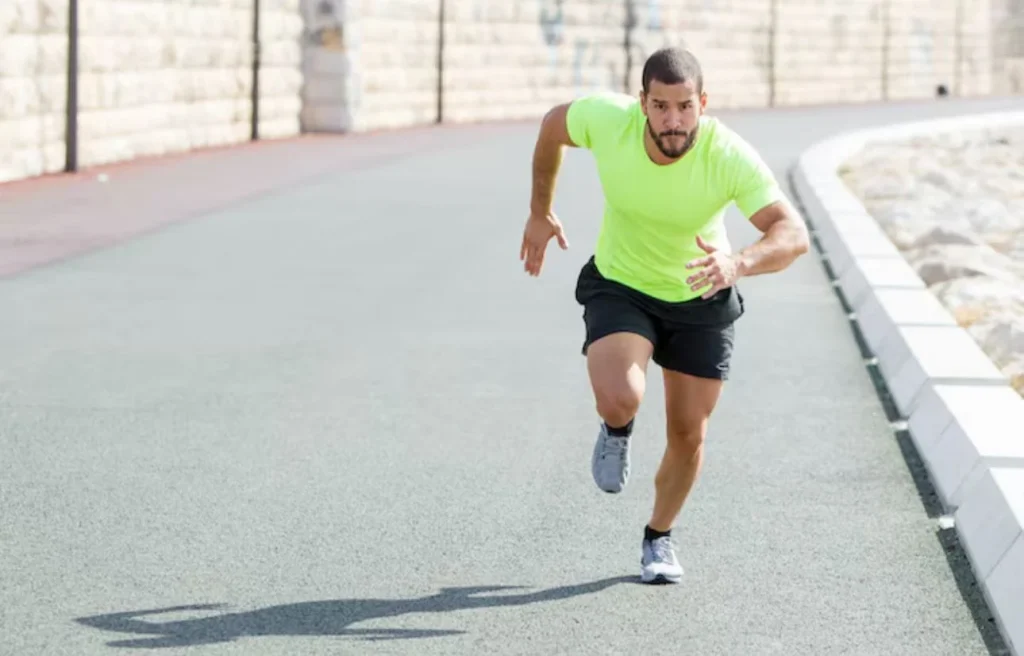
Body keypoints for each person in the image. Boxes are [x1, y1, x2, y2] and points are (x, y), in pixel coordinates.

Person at [519, 47, 810, 584]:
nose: (672, 121)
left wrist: (738, 262)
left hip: (702, 294)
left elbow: (793, 235)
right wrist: (540, 210)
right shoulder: (609, 121)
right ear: (642, 103)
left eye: (684, 107)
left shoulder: (728, 154)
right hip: (622, 284)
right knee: (621, 394)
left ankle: (658, 538)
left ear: (703, 103)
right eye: (660, 107)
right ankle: (617, 426)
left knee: (689, 435)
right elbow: (550, 127)